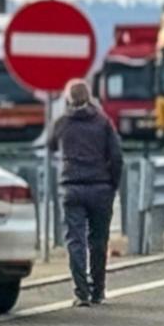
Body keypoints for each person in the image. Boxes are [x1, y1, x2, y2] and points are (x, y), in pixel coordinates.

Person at [48, 77, 124, 306]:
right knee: (99, 240)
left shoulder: (62, 122)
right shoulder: (102, 122)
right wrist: (113, 184)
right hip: (100, 187)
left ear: (68, 99)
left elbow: (50, 145)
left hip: (71, 187)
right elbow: (117, 156)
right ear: (89, 98)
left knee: (75, 240)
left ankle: (81, 292)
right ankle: (98, 290)